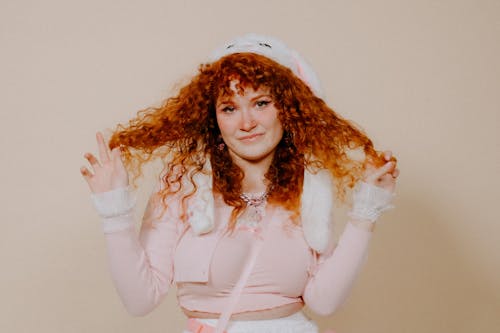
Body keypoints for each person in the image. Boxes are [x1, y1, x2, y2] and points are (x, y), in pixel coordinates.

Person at [81, 33, 399, 333]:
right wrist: (114, 212)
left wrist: (366, 212)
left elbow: (325, 302)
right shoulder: (183, 184)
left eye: (261, 103)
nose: (246, 123)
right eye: (230, 108)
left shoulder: (310, 187)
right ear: (213, 118)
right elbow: (140, 300)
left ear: (288, 109)